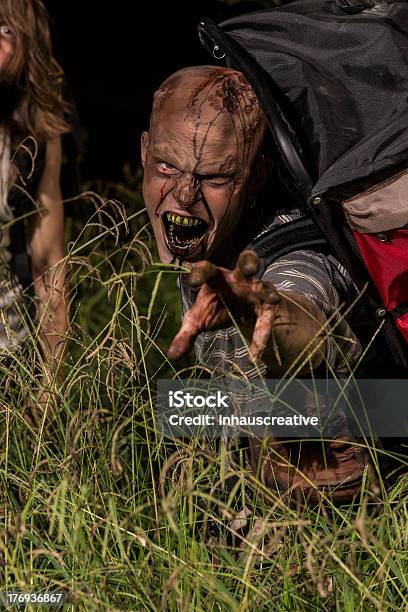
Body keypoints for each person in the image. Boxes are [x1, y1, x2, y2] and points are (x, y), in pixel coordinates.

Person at [141, 65, 371, 503]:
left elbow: (304, 314)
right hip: (256, 517)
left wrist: (264, 311)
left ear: (258, 176)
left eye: (215, 178)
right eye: (167, 167)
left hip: (344, 533)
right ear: (144, 150)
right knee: (169, 410)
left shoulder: (296, 254)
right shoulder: (205, 239)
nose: (185, 196)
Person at [0, 0, 68, 408]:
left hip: (7, 359)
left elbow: (49, 265)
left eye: (6, 31)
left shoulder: (34, 138)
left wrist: (50, 393)